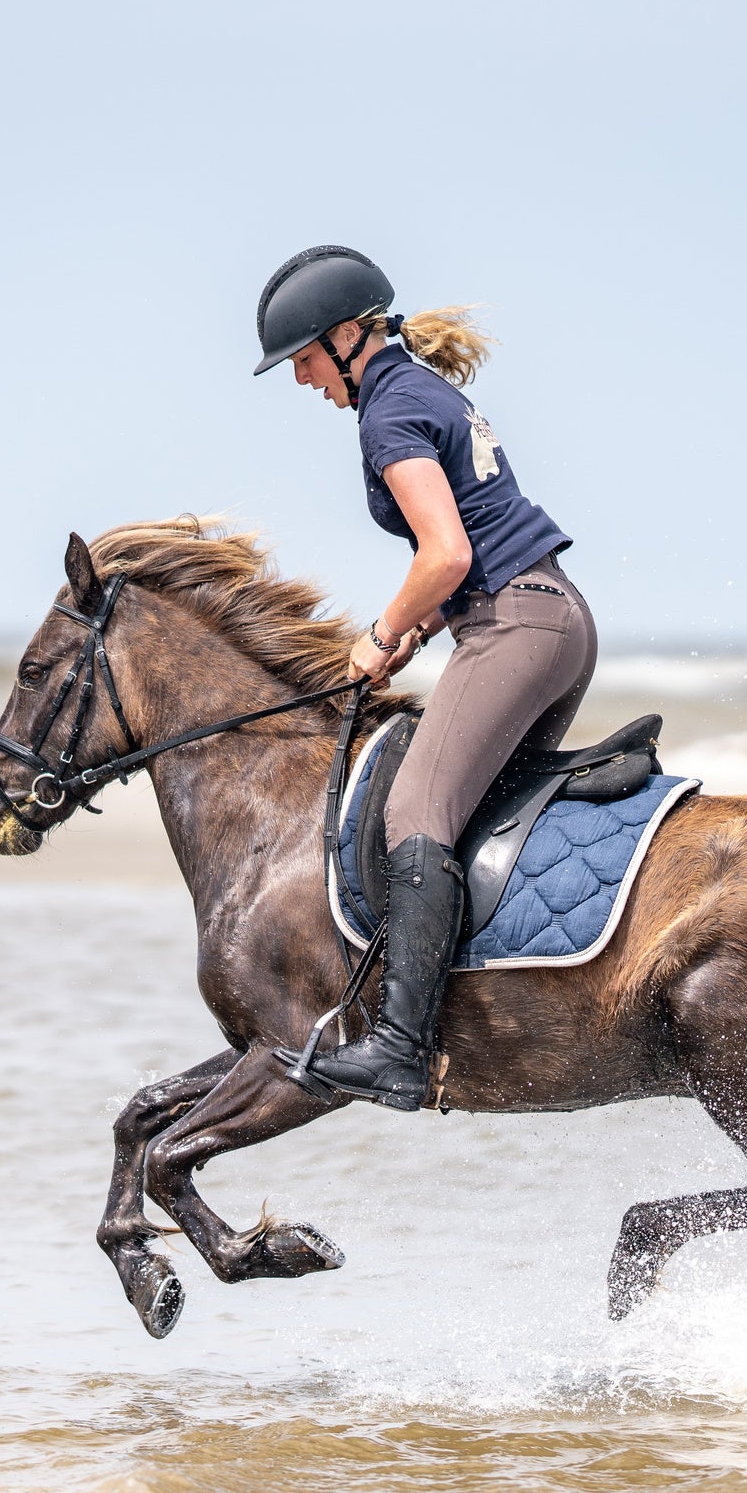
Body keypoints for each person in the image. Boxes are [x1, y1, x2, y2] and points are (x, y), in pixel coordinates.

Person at [252, 245, 599, 1105]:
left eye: (301, 359)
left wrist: (382, 631)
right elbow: (472, 548)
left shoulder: (388, 410)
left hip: (517, 624)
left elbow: (446, 553)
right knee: (470, 813)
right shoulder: (421, 390)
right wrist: (427, 625)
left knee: (415, 809)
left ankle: (401, 1046)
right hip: (554, 616)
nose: (301, 380)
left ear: (344, 338)